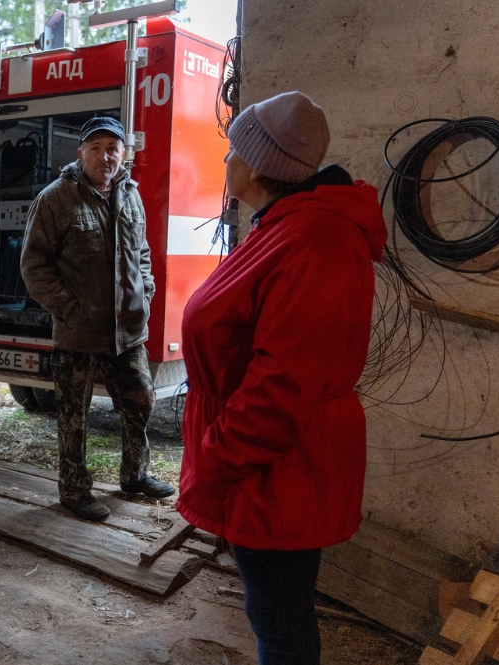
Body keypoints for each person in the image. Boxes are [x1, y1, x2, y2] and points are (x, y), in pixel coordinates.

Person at [177, 92, 386, 663]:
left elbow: (280, 386)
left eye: (232, 150)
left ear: (255, 166)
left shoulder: (314, 240)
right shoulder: (286, 226)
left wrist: (216, 456)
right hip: (267, 464)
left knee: (279, 615)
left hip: (278, 465)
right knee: (272, 607)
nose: (225, 161)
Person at [21, 116, 175, 522]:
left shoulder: (130, 195)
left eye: (112, 149)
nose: (104, 157)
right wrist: (68, 308)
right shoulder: (56, 199)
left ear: (123, 155)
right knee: (75, 415)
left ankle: (134, 475)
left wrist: (145, 290)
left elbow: (141, 252)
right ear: (80, 153)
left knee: (141, 400)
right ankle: (74, 489)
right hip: (78, 333)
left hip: (127, 330)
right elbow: (34, 264)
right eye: (96, 148)